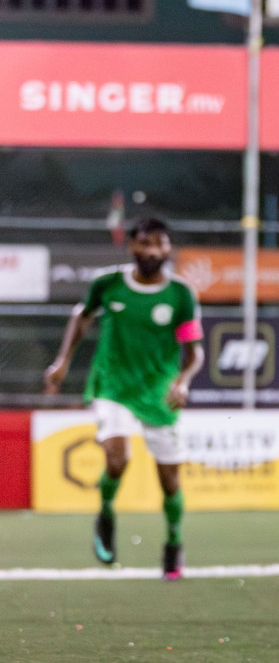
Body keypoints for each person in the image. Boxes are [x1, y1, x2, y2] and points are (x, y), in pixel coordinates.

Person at [43, 217, 205, 580]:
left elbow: (195, 352)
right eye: (145, 243)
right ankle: (105, 512)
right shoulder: (108, 284)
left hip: (158, 391)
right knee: (117, 459)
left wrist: (183, 381)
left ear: (168, 249)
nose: (152, 251)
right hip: (112, 384)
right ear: (132, 246)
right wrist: (62, 361)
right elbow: (81, 317)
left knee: (170, 482)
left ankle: (174, 543)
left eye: (160, 244)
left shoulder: (180, 294)